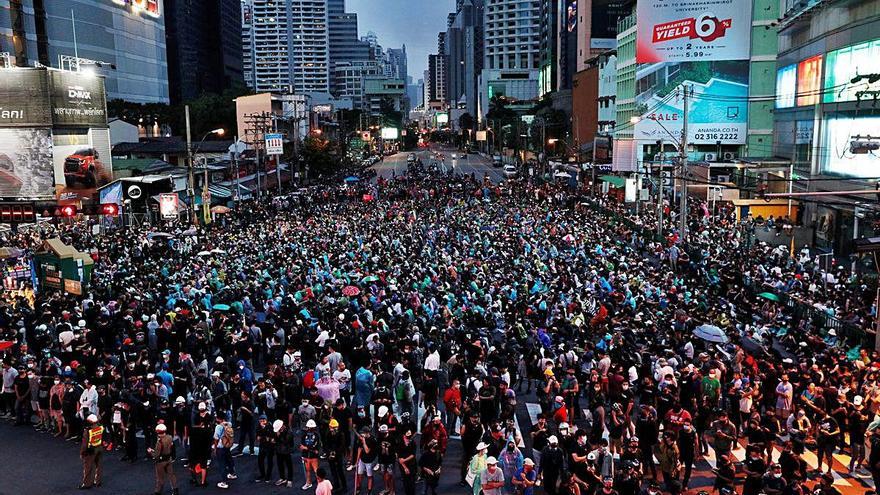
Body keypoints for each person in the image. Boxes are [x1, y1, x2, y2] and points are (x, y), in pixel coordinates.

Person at [149, 423, 178, 495]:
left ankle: (158, 491)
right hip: (168, 459)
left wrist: (150, 452)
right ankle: (175, 490)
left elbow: (156, 455)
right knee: (171, 475)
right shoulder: (170, 437)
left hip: (160, 462)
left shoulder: (159, 442)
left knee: (160, 478)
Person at [79, 414, 104, 490]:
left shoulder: (88, 431)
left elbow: (84, 443)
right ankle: (98, 481)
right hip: (99, 447)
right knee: (98, 466)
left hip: (90, 450)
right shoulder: (101, 427)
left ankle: (87, 484)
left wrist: (82, 452)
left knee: (88, 467)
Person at [353, 426, 377, 495]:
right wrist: (357, 460)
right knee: (359, 474)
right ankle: (358, 487)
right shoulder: (362, 438)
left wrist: (364, 442)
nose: (362, 434)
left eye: (363, 433)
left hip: (369, 461)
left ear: (367, 433)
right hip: (362, 460)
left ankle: (369, 490)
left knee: (369, 476)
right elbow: (360, 449)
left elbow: (367, 451)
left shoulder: (372, 440)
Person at [301, 418, 322, 489]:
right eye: (309, 427)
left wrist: (306, 448)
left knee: (316, 470)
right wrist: (304, 451)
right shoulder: (304, 435)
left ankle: (320, 483)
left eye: (311, 427)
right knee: (308, 470)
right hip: (306, 455)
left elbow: (315, 445)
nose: (310, 429)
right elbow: (301, 445)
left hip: (314, 456)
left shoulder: (316, 435)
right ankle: (308, 482)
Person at [255, 414, 275, 482]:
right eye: (261, 420)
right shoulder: (258, 426)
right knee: (260, 460)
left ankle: (268, 476)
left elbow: (271, 436)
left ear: (266, 420)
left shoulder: (270, 426)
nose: (262, 422)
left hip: (269, 447)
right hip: (262, 445)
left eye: (264, 420)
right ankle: (262, 474)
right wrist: (260, 436)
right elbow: (258, 435)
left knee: (269, 461)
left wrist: (264, 430)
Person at [274, 419, 294, 487]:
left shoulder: (289, 431)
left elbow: (286, 441)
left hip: (286, 451)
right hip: (279, 451)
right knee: (280, 465)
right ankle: (282, 478)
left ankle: (290, 479)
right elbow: (275, 440)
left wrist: (280, 435)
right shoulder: (277, 432)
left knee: (289, 466)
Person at [398, 427, 418, 495]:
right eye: (407, 434)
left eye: (410, 434)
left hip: (412, 464)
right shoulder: (400, 442)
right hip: (403, 465)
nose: (409, 436)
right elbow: (399, 457)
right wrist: (405, 467)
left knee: (412, 482)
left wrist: (404, 460)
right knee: (405, 482)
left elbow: (413, 455)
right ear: (404, 435)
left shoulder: (413, 442)